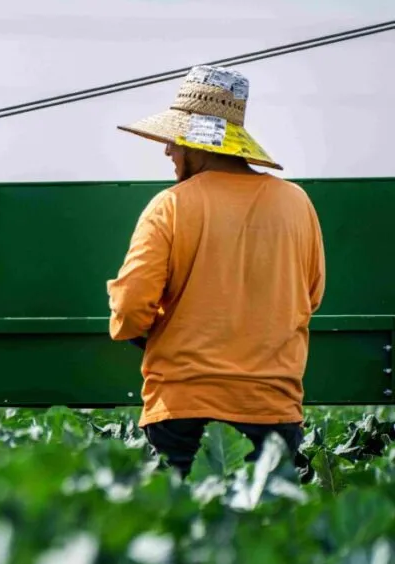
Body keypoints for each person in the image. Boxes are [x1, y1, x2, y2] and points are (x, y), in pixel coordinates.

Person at [107, 65, 326, 479]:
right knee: (267, 537)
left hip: (184, 412)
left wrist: (152, 331)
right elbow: (310, 297)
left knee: (191, 537)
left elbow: (131, 308)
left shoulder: (169, 206)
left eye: (174, 142)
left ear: (196, 144)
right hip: (274, 411)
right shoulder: (297, 204)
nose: (168, 152)